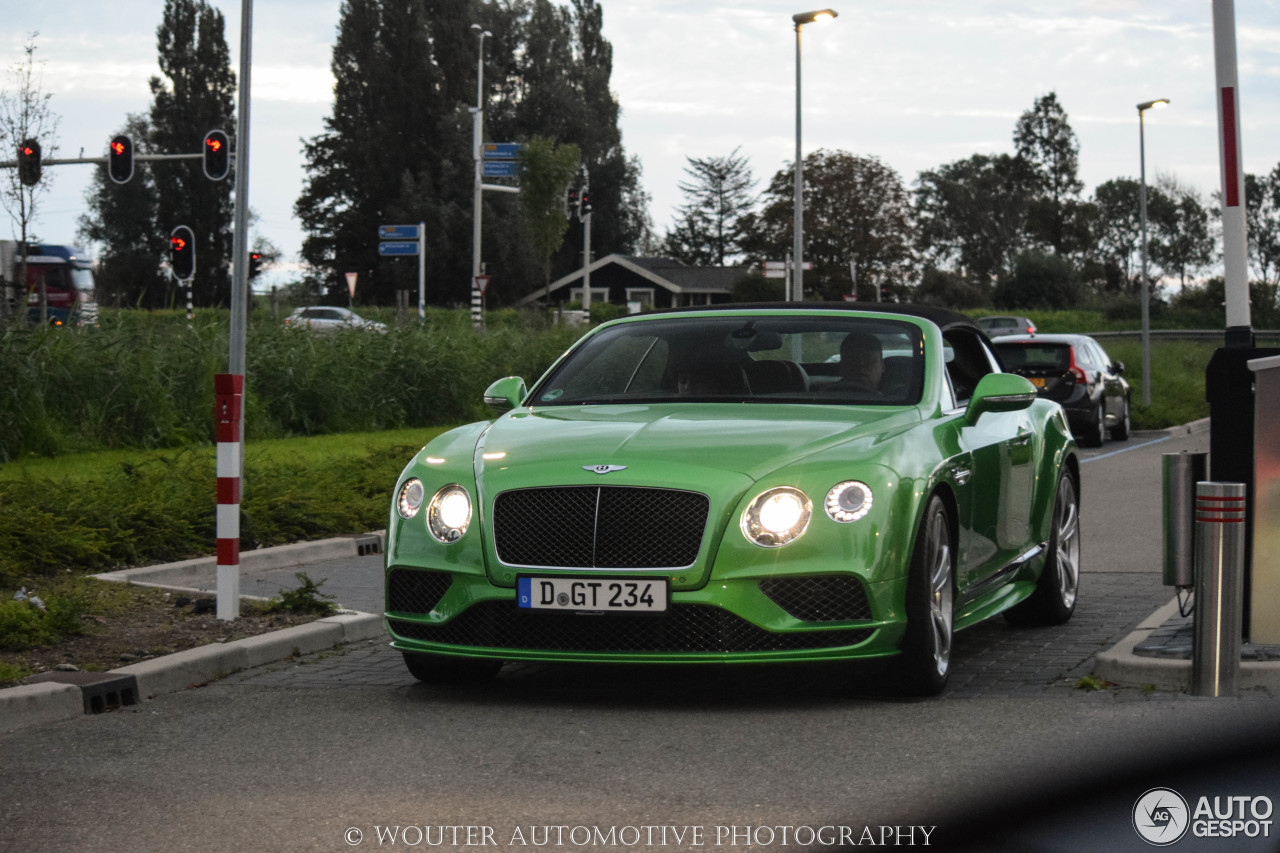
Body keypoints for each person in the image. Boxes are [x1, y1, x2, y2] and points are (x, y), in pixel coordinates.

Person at [827, 330, 884, 395]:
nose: (861, 365)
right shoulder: (825, 397)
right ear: (841, 366)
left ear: (882, 366)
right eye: (853, 360)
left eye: (869, 360)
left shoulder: (896, 396)